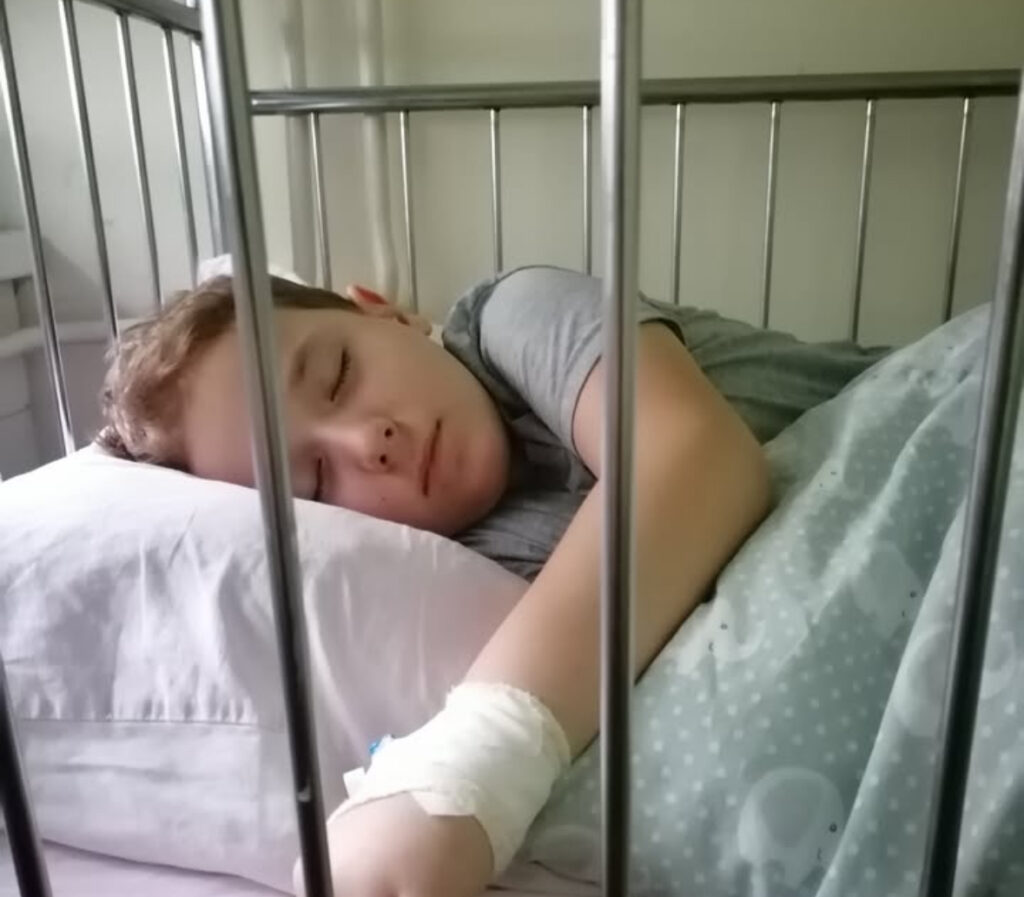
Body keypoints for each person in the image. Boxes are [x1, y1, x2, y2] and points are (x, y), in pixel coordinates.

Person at [98, 264, 885, 897]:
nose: (369, 441)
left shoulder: (514, 317)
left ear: (383, 312)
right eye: (316, 481)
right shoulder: (454, 566)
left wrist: (465, 764)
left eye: (337, 376)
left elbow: (693, 455)